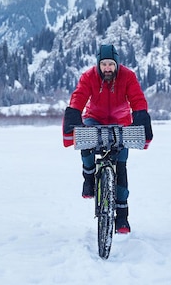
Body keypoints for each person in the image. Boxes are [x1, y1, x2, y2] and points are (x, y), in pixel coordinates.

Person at [62, 44, 153, 234]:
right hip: (94, 118)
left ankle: (122, 218)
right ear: (98, 64)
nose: (107, 68)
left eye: (111, 64)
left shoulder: (128, 76)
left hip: (121, 122)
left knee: (120, 166)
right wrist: (73, 117)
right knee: (85, 138)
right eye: (103, 64)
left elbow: (137, 100)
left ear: (117, 64)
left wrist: (141, 119)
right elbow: (78, 98)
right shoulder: (89, 76)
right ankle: (89, 178)